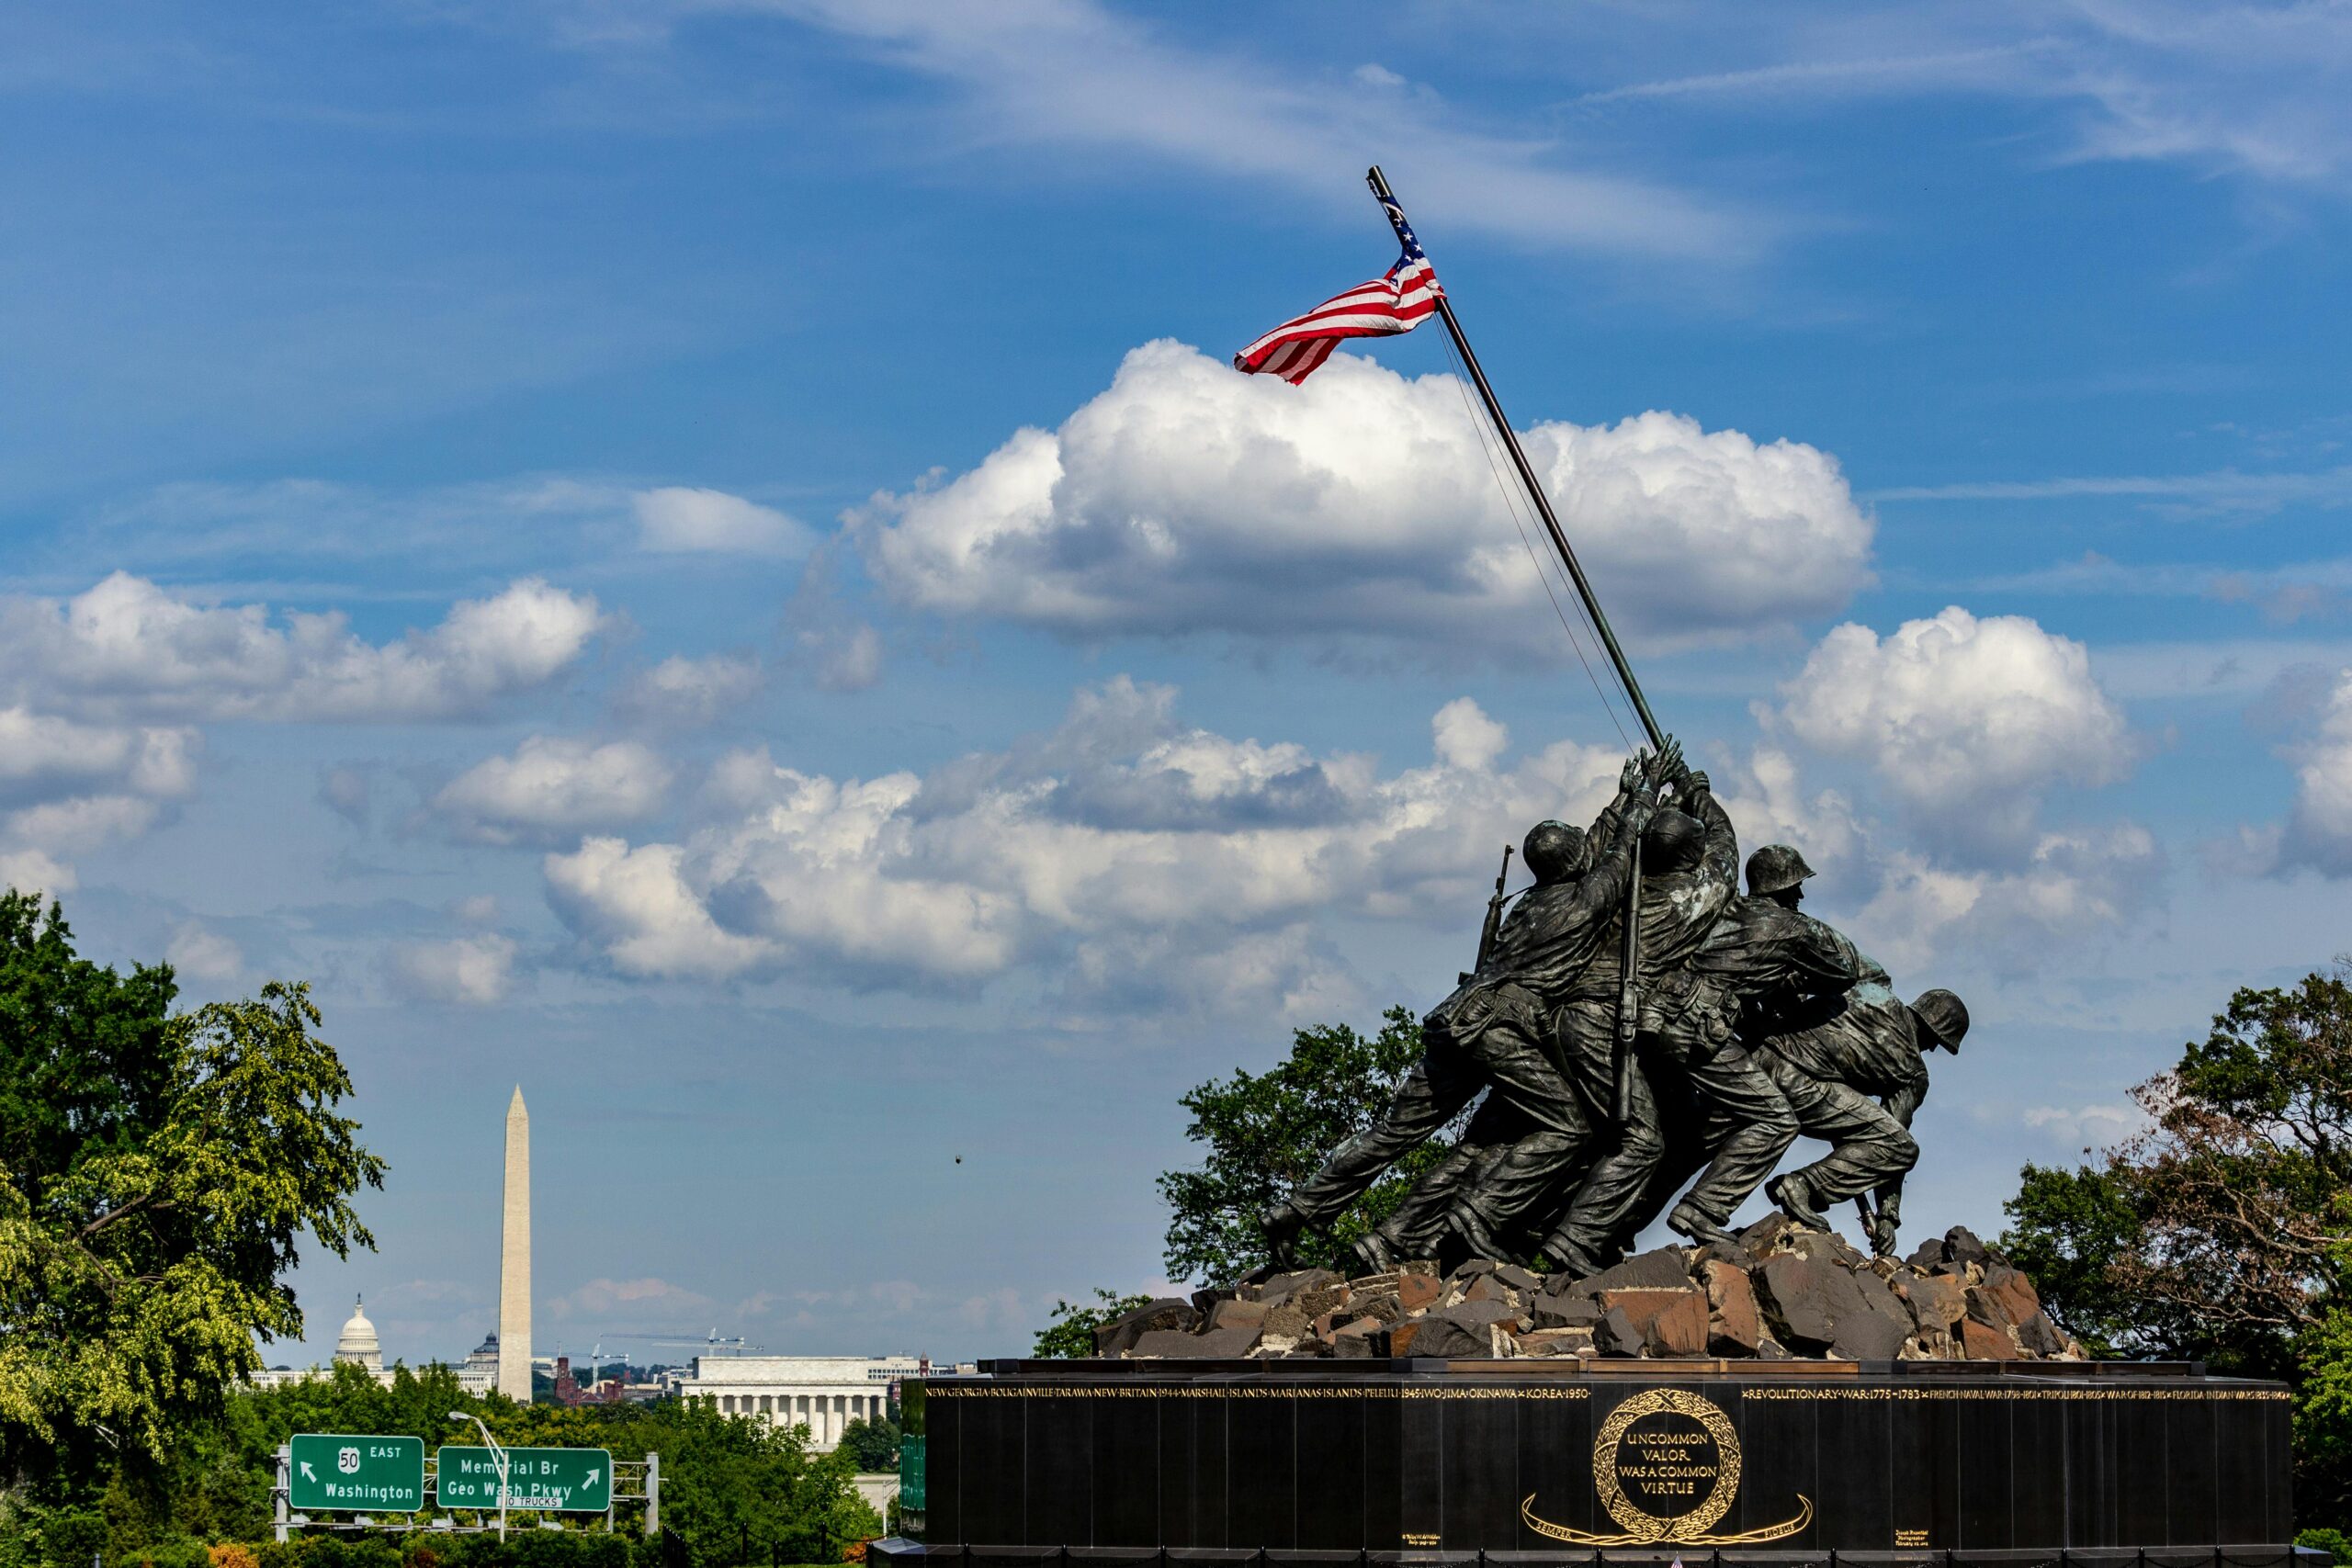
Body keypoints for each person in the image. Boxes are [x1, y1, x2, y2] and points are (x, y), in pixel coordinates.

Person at [1258, 746, 1668, 1274]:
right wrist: (1645, 795)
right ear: (1575, 864)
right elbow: (1619, 853)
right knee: (1569, 1126)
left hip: (1456, 1020)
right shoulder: (1585, 902)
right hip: (1500, 1029)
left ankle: (1296, 1210)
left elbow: (1591, 849)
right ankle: (1479, 1218)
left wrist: (1621, 798)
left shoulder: (1533, 901)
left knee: (1393, 1133)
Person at [1538, 768, 1804, 1266]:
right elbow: (1725, 843)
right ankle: (1571, 1239)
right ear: (1690, 856)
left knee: (1642, 1127)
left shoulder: (1619, 889)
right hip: (1601, 1024)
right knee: (1642, 1140)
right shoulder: (1697, 899)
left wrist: (1641, 799)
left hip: (1562, 1017)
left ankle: (1576, 1229)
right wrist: (1696, 792)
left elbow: (1604, 850)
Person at [1755, 969, 1969, 1256]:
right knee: (1902, 1148)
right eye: (1937, 1043)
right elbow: (1892, 1143)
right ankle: (1803, 1186)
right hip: (1798, 1084)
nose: (1931, 1050)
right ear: (1933, 1031)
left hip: (1755, 1057)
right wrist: (1887, 1216)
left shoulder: (1871, 989)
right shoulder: (1913, 1072)